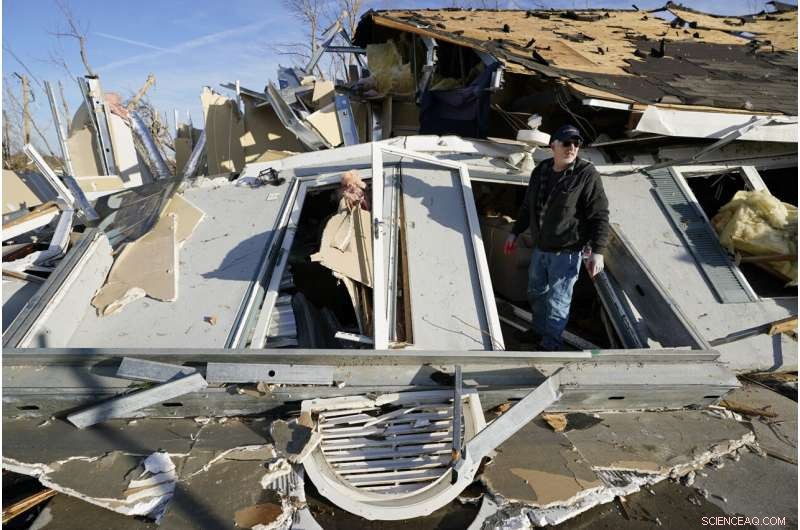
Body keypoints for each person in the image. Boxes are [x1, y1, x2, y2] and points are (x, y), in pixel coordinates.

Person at [503, 124, 609, 351]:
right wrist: (514, 232)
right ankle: (538, 332)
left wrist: (598, 252)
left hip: (567, 252)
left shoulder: (586, 174)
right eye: (567, 143)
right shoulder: (541, 170)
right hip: (541, 248)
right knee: (536, 293)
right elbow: (527, 207)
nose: (572, 148)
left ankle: (550, 345)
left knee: (558, 301)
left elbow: (599, 215)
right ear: (553, 145)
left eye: (576, 143)